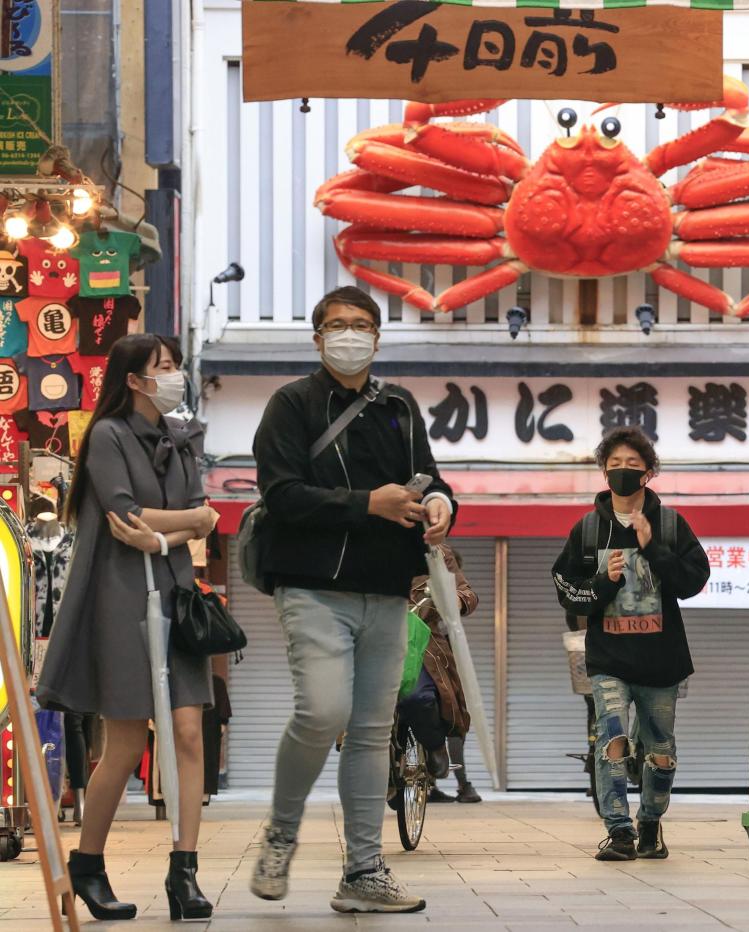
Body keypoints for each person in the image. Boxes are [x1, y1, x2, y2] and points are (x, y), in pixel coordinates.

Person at [250, 286, 453, 914]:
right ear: (316, 337)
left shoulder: (398, 405)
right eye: (337, 325)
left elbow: (429, 477)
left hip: (387, 589)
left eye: (361, 325)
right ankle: (281, 834)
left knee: (371, 731)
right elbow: (282, 494)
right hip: (312, 586)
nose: (349, 334)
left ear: (377, 337)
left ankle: (363, 873)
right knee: (322, 712)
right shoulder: (291, 404)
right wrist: (369, 503)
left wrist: (443, 503)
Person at [36, 334, 219, 921]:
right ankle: (88, 862)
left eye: (176, 366)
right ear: (133, 380)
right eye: (163, 368)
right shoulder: (109, 437)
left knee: (190, 732)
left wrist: (173, 529)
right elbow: (123, 516)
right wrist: (191, 520)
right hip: (120, 598)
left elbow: (193, 520)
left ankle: (184, 870)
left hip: (178, 597)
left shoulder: (183, 437)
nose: (175, 376)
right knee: (126, 741)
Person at [552, 427, 710, 862]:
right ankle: (619, 830)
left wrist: (653, 548)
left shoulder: (672, 524)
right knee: (612, 738)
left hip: (662, 663)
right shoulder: (586, 529)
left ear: (649, 473)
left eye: (633, 466)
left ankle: (651, 824)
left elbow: (695, 581)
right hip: (608, 661)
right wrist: (604, 581)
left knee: (660, 751)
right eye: (615, 465)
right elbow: (566, 587)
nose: (623, 472)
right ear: (604, 472)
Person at [394, 546, 481, 803]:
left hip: (421, 643)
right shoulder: (360, 539)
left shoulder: (436, 551)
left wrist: (455, 600)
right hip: (372, 639)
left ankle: (434, 745)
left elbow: (467, 593)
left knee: (417, 697)